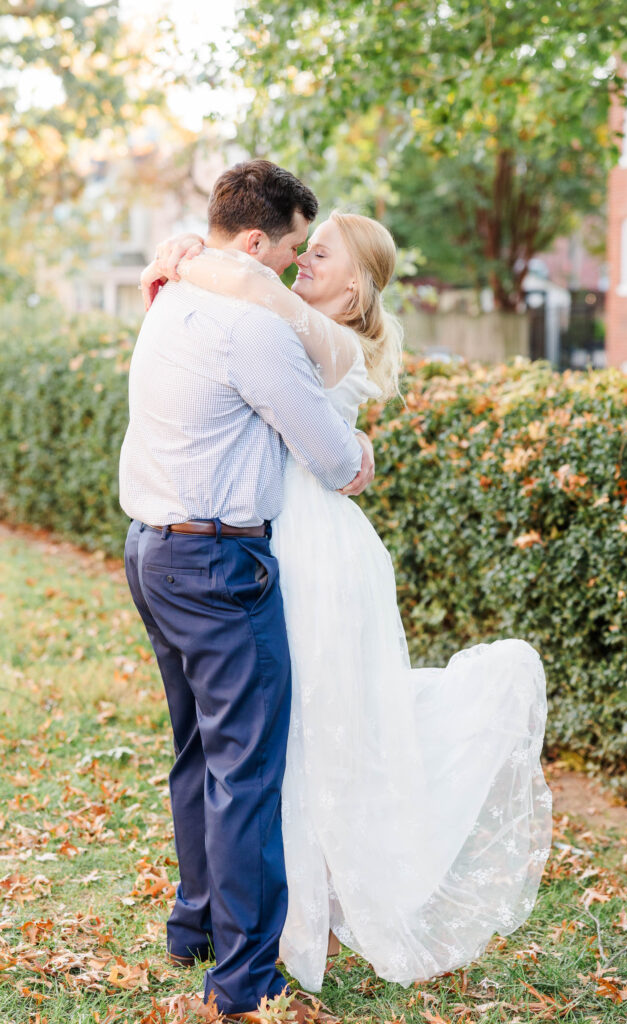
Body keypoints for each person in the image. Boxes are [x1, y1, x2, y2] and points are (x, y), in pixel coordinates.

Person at [143, 209, 553, 993]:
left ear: (354, 282)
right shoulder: (291, 320)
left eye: (319, 253)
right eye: (304, 246)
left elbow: (265, 320)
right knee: (270, 734)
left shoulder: (322, 340)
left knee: (295, 728)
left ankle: (282, 909)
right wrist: (194, 252)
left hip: (313, 549)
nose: (302, 262)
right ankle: (256, 909)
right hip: (275, 538)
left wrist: (200, 259)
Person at [119, 160, 377, 1023]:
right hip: (218, 568)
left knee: (197, 751)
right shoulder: (251, 329)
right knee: (246, 771)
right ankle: (244, 981)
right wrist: (358, 459)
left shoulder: (173, 301)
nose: (291, 269)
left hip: (152, 551)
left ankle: (194, 925)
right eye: (293, 248)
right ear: (258, 241)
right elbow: (331, 458)